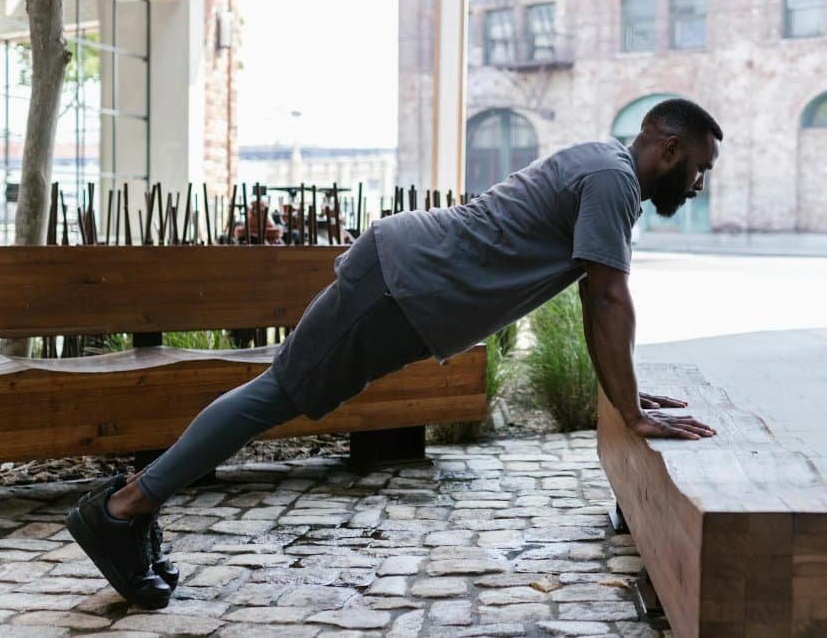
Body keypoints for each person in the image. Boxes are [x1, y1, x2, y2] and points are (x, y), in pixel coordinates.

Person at [66, 98, 723, 609]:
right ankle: (124, 508)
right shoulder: (611, 180)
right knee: (275, 394)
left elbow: (601, 296)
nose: (698, 182)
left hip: (406, 284)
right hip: (401, 284)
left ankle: (130, 506)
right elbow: (606, 298)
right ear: (668, 148)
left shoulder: (606, 170)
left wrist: (628, 395)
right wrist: (631, 410)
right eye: (698, 166)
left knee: (276, 393)